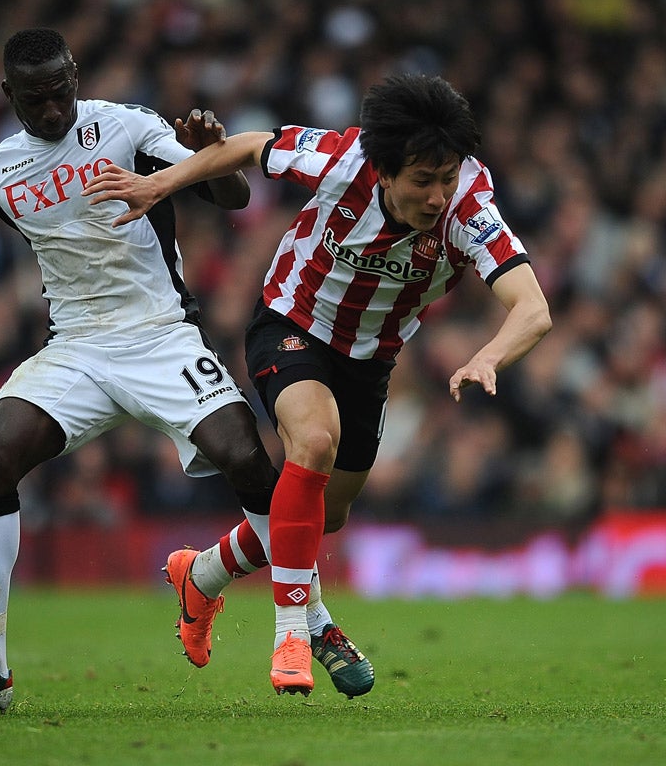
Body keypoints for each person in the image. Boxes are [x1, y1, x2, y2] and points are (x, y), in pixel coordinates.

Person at [0, 27, 369, 712]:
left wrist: (212, 153)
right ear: (10, 97)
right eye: (35, 99)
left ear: (75, 77)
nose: (53, 109)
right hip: (77, 350)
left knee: (247, 458)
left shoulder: (127, 127)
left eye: (61, 91)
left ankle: (316, 623)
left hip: (162, 337)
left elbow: (233, 198)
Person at [83, 73, 553, 695]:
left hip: (371, 359)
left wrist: (489, 357)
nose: (438, 195)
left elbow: (534, 308)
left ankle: (201, 575)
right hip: (291, 323)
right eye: (422, 181)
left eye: (445, 178)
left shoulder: (470, 205)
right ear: (383, 171)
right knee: (313, 442)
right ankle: (295, 637)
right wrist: (158, 183)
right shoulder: (342, 160)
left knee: (323, 515)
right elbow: (250, 146)